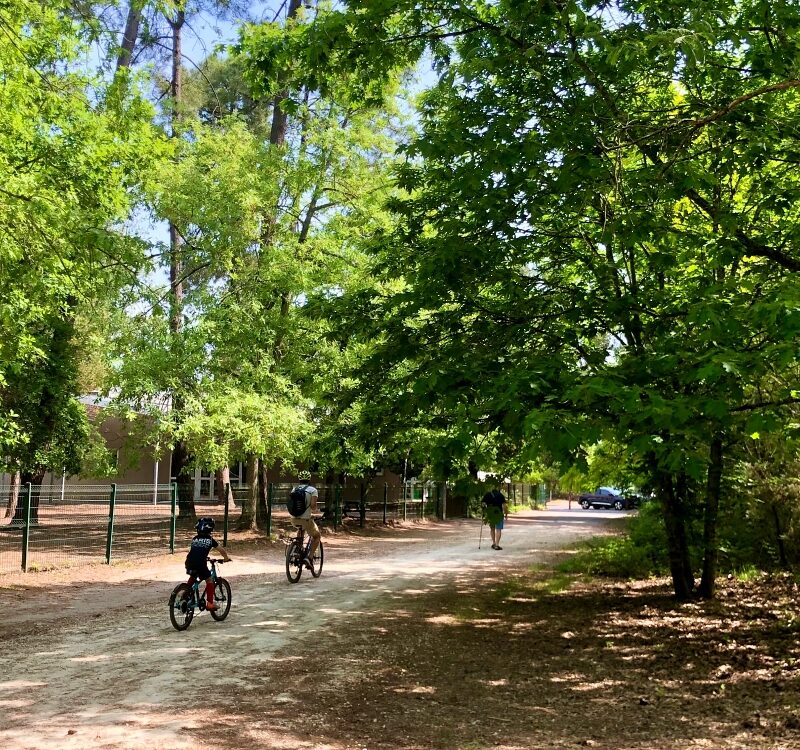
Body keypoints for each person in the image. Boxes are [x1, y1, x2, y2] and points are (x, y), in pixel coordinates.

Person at [184, 516, 230, 610]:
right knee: (209, 579)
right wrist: (226, 558)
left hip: (189, 562)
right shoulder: (210, 540)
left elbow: (197, 551)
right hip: (200, 563)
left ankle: (185, 593)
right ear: (210, 529)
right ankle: (210, 603)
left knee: (193, 576)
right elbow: (221, 550)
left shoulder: (195, 539)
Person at [289, 474, 321, 571]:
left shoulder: (294, 489)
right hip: (306, 519)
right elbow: (313, 505)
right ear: (309, 479)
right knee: (317, 536)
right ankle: (309, 557)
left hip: (294, 519)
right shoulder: (313, 490)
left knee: (300, 532)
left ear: (299, 480)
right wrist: (316, 511)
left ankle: (297, 550)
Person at [481, 486, 508, 550]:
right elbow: (504, 506)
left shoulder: (487, 495)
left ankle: (493, 543)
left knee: (492, 528)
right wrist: (506, 514)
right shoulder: (501, 495)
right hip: (499, 514)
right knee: (498, 529)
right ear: (497, 489)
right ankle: (497, 544)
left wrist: (484, 510)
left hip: (490, 514)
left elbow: (483, 504)